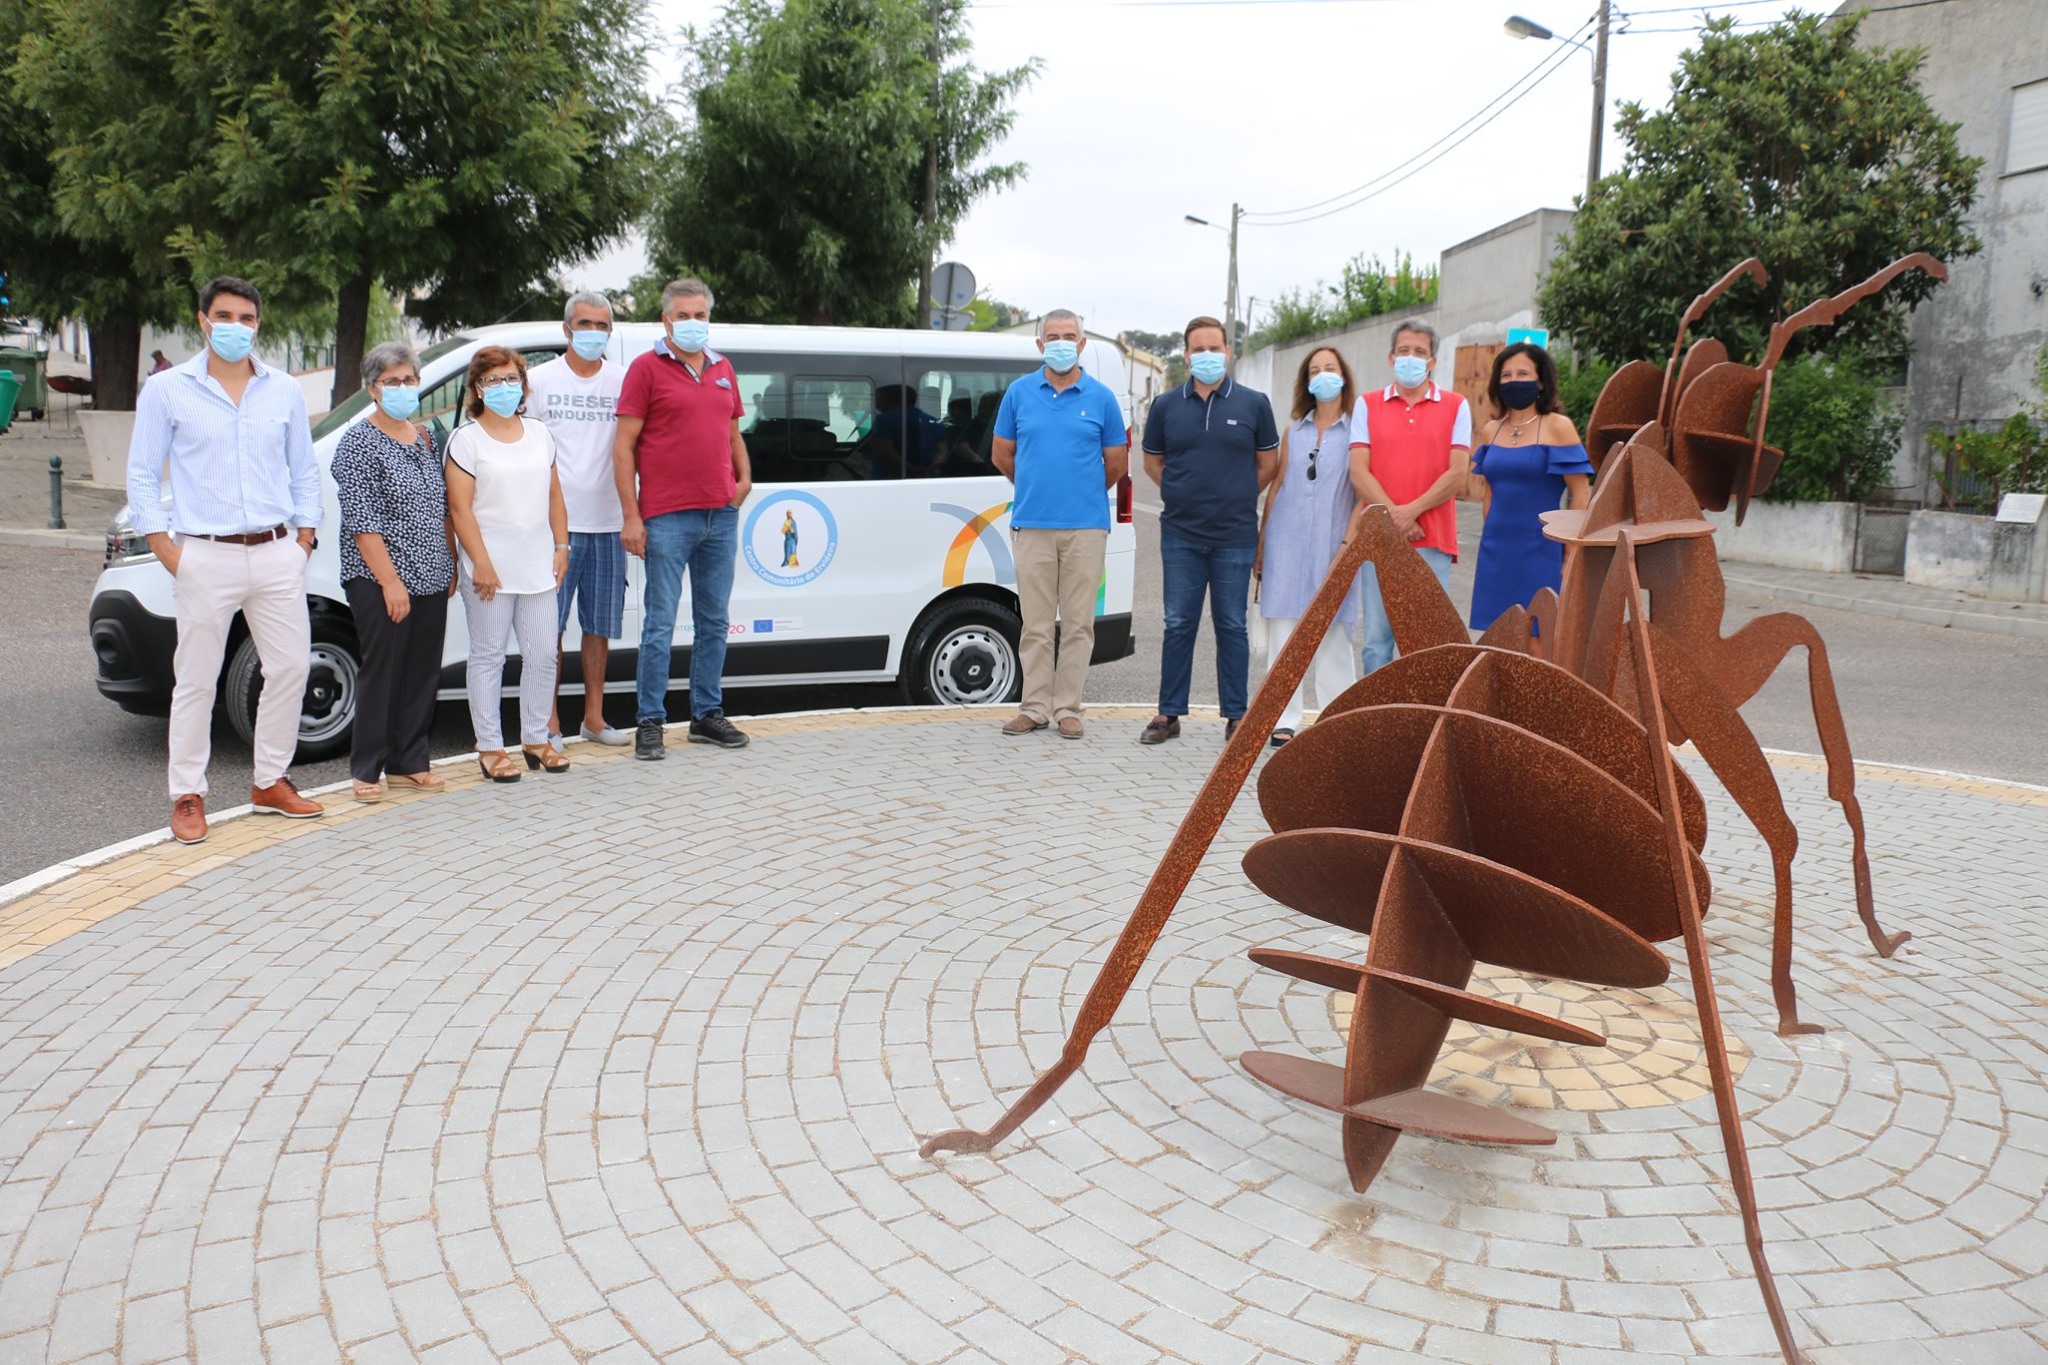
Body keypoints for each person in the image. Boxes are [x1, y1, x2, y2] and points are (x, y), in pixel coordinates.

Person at [126, 275, 324, 845]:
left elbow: (303, 469)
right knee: (197, 678)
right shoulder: (168, 390)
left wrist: (303, 539)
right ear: (202, 320)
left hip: (276, 551)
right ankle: (187, 794)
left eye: (247, 318)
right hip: (204, 555)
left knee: (288, 667)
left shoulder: (283, 389)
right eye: (224, 316)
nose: (236, 327)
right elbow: (142, 472)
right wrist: (166, 549)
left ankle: (269, 780)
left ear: (259, 324)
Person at [615, 278, 753, 759]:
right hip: (666, 517)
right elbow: (623, 448)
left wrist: (744, 480)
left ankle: (705, 715)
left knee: (714, 621)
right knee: (659, 624)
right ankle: (650, 721)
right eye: (683, 315)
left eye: (700, 315)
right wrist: (631, 517)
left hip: (720, 515)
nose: (692, 323)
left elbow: (733, 433)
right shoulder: (645, 369)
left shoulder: (723, 368)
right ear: (666, 319)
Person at [1139, 315, 1280, 745]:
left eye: (1214, 348)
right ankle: (1169, 713)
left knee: (1231, 626)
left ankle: (1237, 716)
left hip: (1234, 535)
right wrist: (1183, 495)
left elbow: (1268, 464)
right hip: (1180, 533)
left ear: (1228, 351)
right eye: (1197, 349)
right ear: (1185, 355)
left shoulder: (1254, 403)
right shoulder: (1165, 406)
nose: (1206, 355)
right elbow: (1152, 463)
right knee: (1178, 623)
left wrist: (1236, 495)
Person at [990, 309, 1130, 740]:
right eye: (1053, 336)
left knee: (1078, 623)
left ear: (1082, 344)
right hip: (1032, 524)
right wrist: (1038, 484)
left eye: (1070, 336)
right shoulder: (1018, 393)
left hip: (1086, 527)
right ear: (1040, 345)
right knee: (1034, 624)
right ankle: (1033, 708)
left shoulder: (1102, 398)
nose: (1061, 342)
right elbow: (1002, 455)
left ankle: (1068, 707)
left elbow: (1117, 462)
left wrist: (1080, 491)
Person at [331, 343, 456, 802]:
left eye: (409, 380)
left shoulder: (423, 436)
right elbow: (362, 521)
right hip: (380, 578)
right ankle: (367, 770)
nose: (403, 389)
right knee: (383, 671)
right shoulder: (358, 443)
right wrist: (390, 582)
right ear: (372, 389)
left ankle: (410, 762)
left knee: (422, 670)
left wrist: (451, 559)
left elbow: (440, 505)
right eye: (392, 382)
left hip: (431, 571)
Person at [446, 347, 571, 782]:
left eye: (511, 378)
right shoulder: (466, 439)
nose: (503, 387)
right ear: (477, 388)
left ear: (523, 383)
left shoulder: (539, 433)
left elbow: (554, 495)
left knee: (542, 657)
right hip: (489, 571)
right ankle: (490, 747)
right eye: (492, 380)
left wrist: (561, 548)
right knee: (488, 657)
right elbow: (459, 510)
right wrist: (479, 563)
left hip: (537, 565)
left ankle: (536, 739)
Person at [528, 291, 633, 749]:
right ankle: (549, 722)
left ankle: (593, 717)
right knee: (549, 628)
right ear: (567, 328)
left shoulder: (624, 380)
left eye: (602, 325)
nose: (594, 333)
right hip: (555, 530)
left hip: (609, 523)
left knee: (600, 626)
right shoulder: (538, 381)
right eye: (585, 324)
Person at [1348, 318, 1472, 673]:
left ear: (1432, 361)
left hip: (1433, 540)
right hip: (1378, 540)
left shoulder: (1456, 405)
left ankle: (1422, 724)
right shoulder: (1367, 404)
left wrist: (1409, 513)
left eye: (1419, 352)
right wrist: (1394, 518)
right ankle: (1378, 723)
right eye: (1404, 351)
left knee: (1426, 642)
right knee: (1376, 642)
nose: (1411, 358)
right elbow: (1358, 471)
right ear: (1390, 358)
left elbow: (1458, 473)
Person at [1255, 347, 1361, 747]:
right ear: (1306, 381)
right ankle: (1283, 718)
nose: (1322, 376)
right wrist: (1263, 543)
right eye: (1315, 370)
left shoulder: (1357, 431)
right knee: (1285, 634)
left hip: (1334, 544)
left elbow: (1362, 491)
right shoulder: (1294, 429)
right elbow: (1278, 486)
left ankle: (1338, 716)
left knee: (1335, 634)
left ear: (1344, 376)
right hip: (1286, 542)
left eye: (1330, 368)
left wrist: (1350, 544)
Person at [1467, 342, 1593, 633]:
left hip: (1542, 549)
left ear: (1540, 381)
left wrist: (1572, 552)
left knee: (1539, 638)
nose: (1514, 381)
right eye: (1506, 375)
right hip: (1496, 551)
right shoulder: (1490, 430)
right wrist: (1491, 540)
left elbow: (1581, 493)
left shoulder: (1559, 426)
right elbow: (1489, 492)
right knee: (1499, 636)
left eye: (1523, 373)